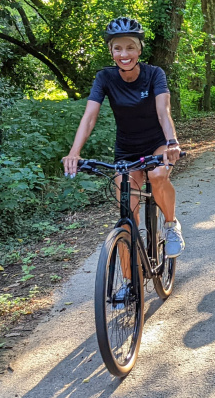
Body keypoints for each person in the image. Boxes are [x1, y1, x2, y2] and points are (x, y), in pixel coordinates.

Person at [62, 16, 185, 257]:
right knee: (127, 220)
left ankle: (171, 226)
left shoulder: (154, 74)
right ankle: (128, 285)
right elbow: (89, 117)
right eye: (118, 48)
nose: (124, 53)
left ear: (139, 49)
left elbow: (164, 112)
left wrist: (172, 142)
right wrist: (74, 153)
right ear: (111, 51)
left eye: (130, 47)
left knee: (158, 174)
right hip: (126, 149)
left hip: (157, 143)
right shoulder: (105, 78)